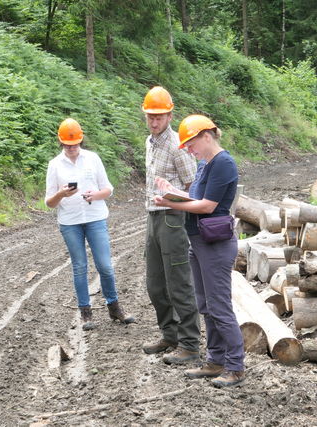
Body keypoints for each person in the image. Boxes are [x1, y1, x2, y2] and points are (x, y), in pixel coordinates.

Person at [154, 114, 245, 388]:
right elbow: (196, 199)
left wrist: (174, 205)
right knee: (205, 305)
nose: (188, 149)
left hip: (215, 245)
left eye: (190, 143)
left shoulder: (223, 163)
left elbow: (207, 206)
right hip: (199, 241)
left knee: (220, 306)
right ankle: (215, 360)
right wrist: (174, 193)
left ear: (207, 136)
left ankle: (235, 366)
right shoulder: (206, 165)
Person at [45, 118, 134, 331]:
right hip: (70, 222)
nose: (71, 148)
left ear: (81, 141)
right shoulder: (55, 165)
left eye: (74, 144)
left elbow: (108, 189)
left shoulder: (93, 159)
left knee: (105, 265)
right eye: (67, 145)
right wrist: (61, 193)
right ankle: (85, 312)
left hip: (95, 217)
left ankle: (114, 307)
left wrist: (95, 194)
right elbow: (49, 203)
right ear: (61, 143)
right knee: (79, 267)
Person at [141, 86, 201, 364]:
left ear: (169, 115)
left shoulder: (178, 145)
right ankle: (169, 334)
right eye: (150, 116)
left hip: (173, 219)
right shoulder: (149, 142)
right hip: (152, 217)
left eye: (160, 117)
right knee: (155, 283)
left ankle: (189, 343)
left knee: (178, 282)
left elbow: (193, 185)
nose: (154, 122)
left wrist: (180, 206)